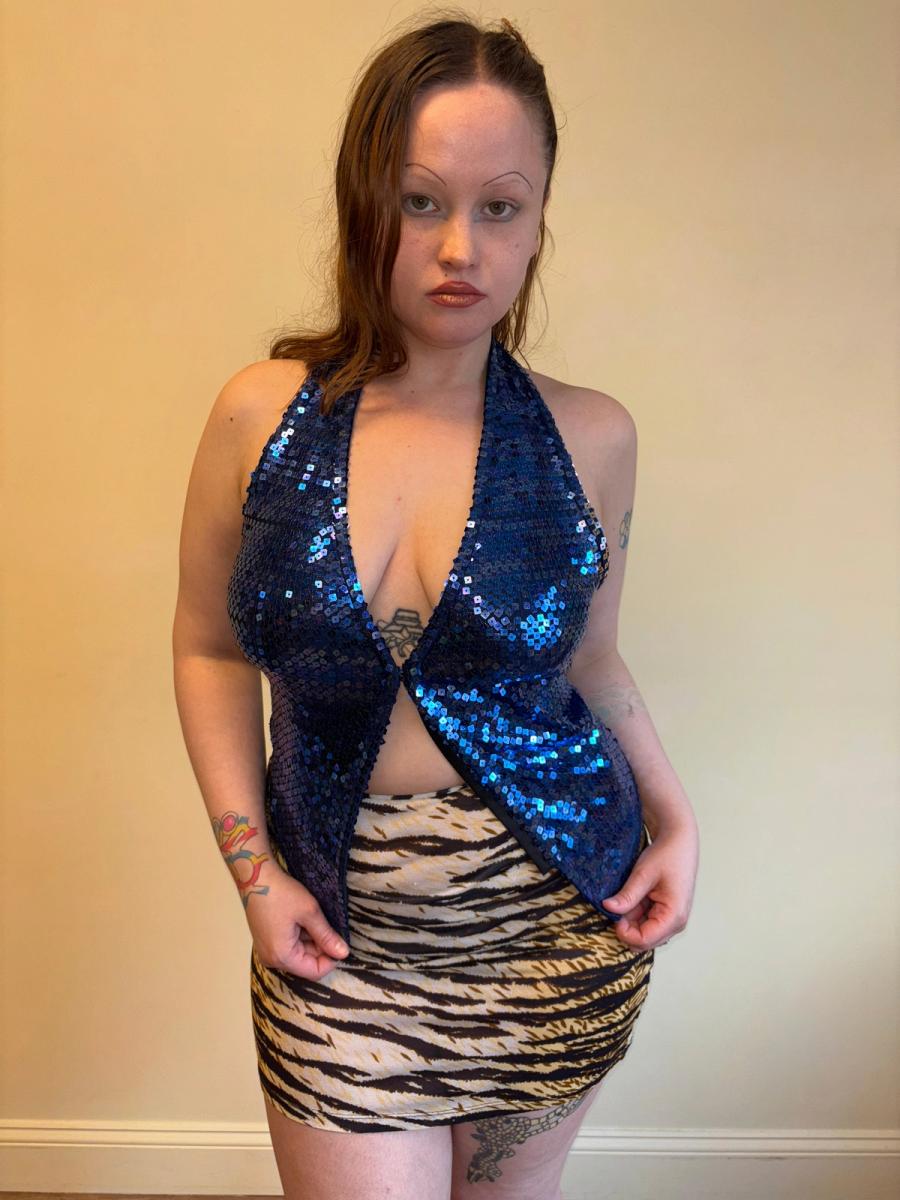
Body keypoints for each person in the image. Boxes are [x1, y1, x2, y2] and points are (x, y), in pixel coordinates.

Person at [172, 11, 699, 1199]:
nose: (461, 246)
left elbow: (593, 663)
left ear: (540, 221)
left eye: (501, 207)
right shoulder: (259, 414)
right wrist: (253, 875)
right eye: (420, 201)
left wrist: (676, 818)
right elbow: (209, 649)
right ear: (365, 202)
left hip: (558, 929)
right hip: (339, 945)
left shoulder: (593, 435)